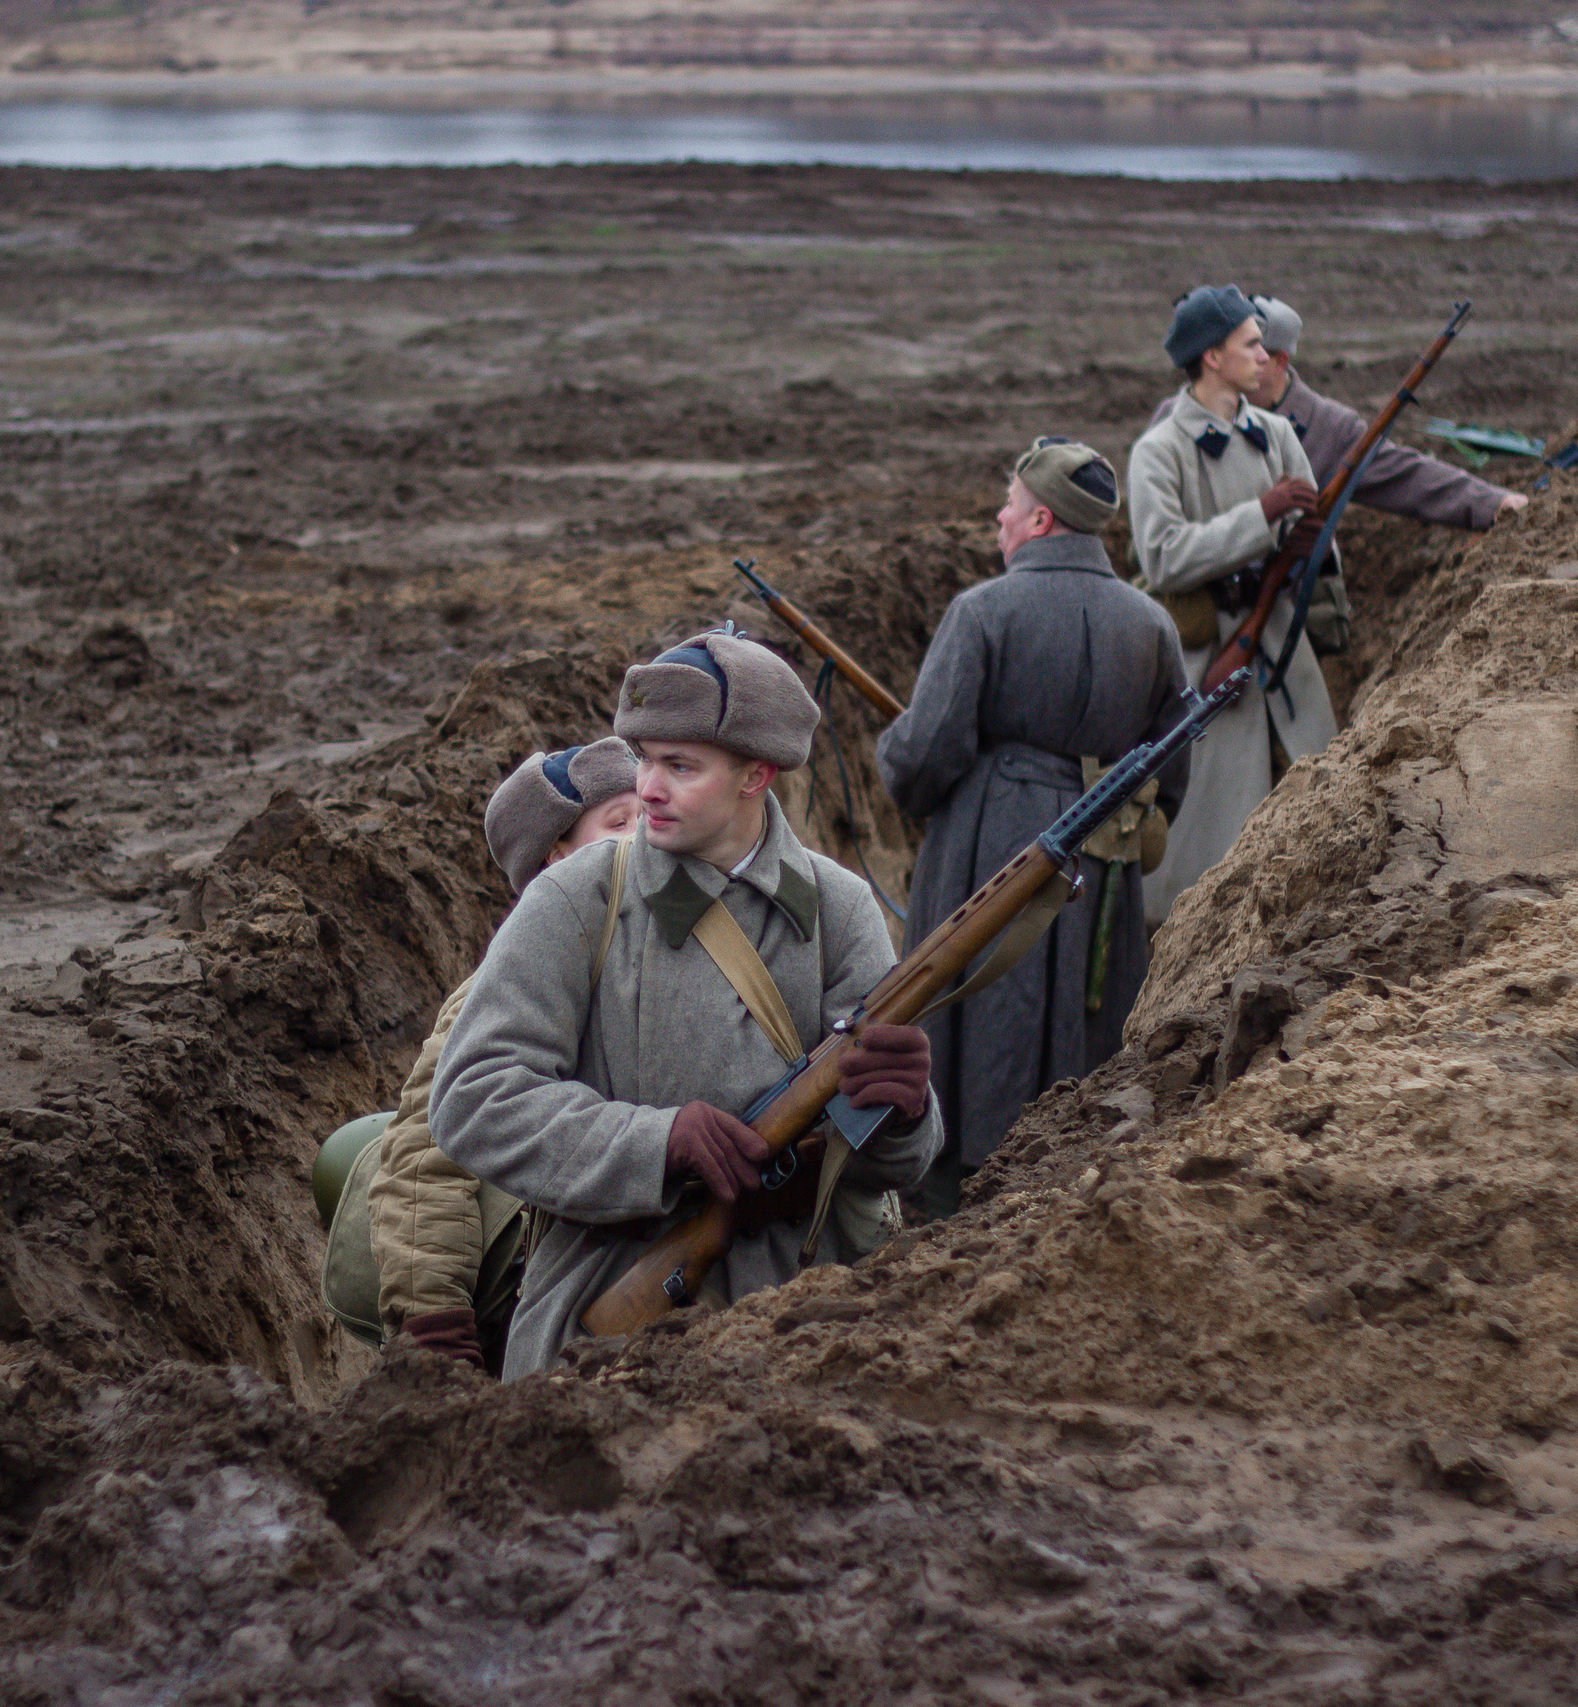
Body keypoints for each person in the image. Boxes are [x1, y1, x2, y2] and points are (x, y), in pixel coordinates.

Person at [432, 628, 939, 1379]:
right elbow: (471, 1098)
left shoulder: (840, 907)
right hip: (609, 1316)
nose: (647, 789)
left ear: (756, 774)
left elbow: (890, 1165)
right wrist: (656, 1142)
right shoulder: (577, 899)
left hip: (812, 1322)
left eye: (680, 765)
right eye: (641, 758)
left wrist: (906, 1113)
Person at [875, 437, 1191, 1207]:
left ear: (1041, 518)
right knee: (1089, 1020)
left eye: (1010, 505)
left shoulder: (982, 610)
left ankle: (955, 1188)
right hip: (1102, 858)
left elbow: (926, 754)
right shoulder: (1151, 624)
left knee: (977, 1004)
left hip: (990, 841)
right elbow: (1171, 768)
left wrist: (897, 758)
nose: (1000, 516)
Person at [363, 736, 640, 1369]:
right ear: (555, 859)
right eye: (619, 824)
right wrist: (434, 1327)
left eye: (650, 816)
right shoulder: (493, 992)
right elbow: (423, 1160)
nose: (645, 838)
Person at [1129, 285, 1330, 930]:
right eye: (1250, 343)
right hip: (1209, 656)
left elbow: (1313, 537)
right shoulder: (1157, 452)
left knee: (1317, 806)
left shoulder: (1275, 434)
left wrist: (1308, 539)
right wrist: (1262, 515)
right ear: (1211, 357)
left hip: (1278, 648)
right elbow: (1163, 557)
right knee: (1207, 845)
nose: (1265, 355)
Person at [1149, 293, 1529, 530]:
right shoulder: (1174, 418)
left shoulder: (1326, 428)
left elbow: (1408, 475)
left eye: (1259, 349)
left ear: (1279, 360)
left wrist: (1490, 502)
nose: (1255, 357)